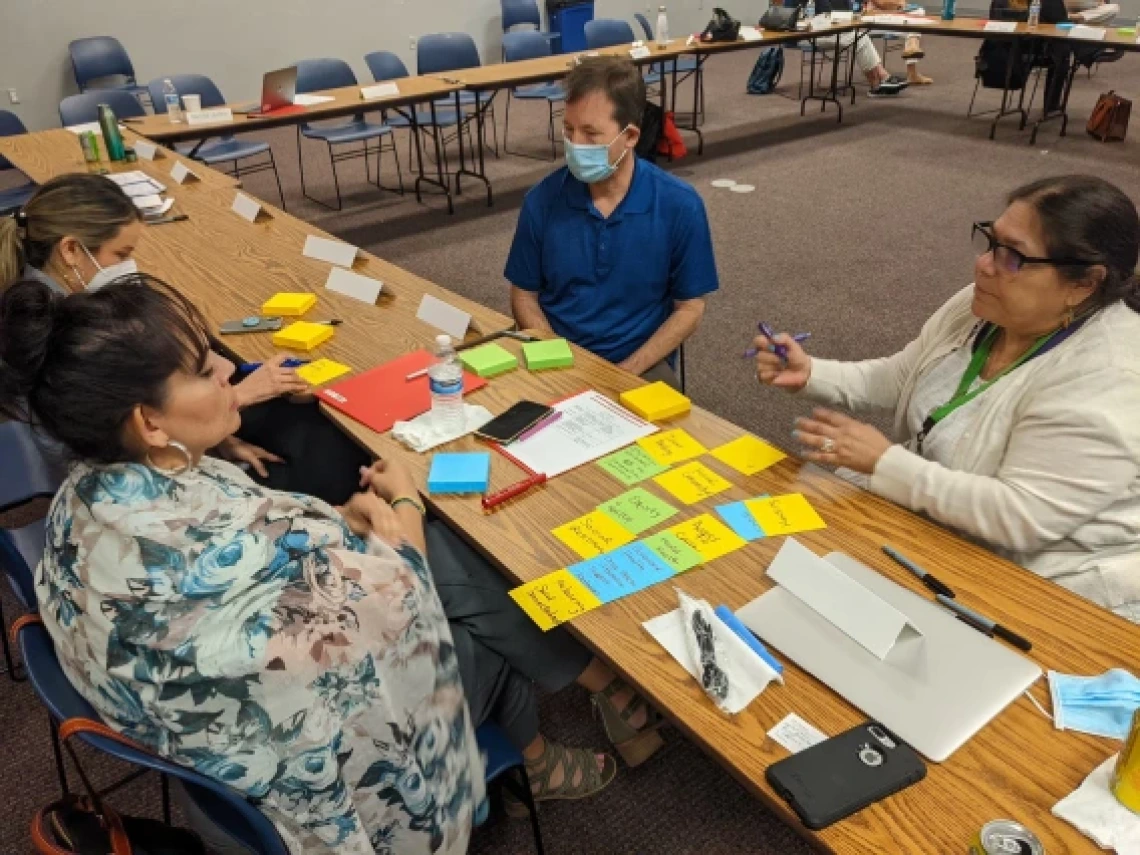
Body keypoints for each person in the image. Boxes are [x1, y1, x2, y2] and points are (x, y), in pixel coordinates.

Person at [0, 274, 671, 851]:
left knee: (445, 567)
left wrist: (346, 528)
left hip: (202, 740)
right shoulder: (245, 537)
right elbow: (402, 600)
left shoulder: (81, 498)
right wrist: (404, 500)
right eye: (204, 369)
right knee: (464, 595)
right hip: (296, 777)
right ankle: (552, 742)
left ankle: (579, 700)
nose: (230, 371)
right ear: (149, 423)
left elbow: (294, 578)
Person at [755, 175, 1140, 621]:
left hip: (1047, 584)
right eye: (990, 241)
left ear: (1085, 284)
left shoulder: (1110, 376)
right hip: (939, 522)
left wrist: (886, 464)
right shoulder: (983, 306)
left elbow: (1018, 518)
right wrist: (811, 373)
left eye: (1012, 255)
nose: (983, 265)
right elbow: (903, 376)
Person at [0, 174, 370, 505]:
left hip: (147, 455)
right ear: (70, 250)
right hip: (142, 475)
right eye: (122, 254)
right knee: (322, 444)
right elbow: (117, 435)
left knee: (292, 418)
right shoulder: (62, 334)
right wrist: (238, 397)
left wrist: (220, 433)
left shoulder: (45, 305)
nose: (130, 267)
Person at [505, 56, 719, 388]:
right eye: (568, 129)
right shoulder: (542, 200)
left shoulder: (679, 205)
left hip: (639, 363)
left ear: (630, 136)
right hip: (558, 357)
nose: (575, 145)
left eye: (590, 133)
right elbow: (524, 295)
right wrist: (555, 359)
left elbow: (690, 308)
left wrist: (625, 372)